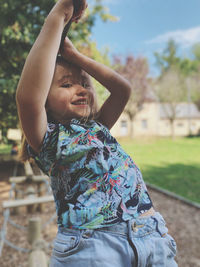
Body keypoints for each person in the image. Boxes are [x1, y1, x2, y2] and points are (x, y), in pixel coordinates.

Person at [16, 0, 178, 266]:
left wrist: (76, 57)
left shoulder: (99, 125)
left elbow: (122, 89)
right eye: (66, 84)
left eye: (84, 84)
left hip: (152, 236)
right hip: (93, 246)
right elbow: (28, 99)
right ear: (45, 100)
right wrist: (59, 15)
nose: (81, 89)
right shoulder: (48, 139)